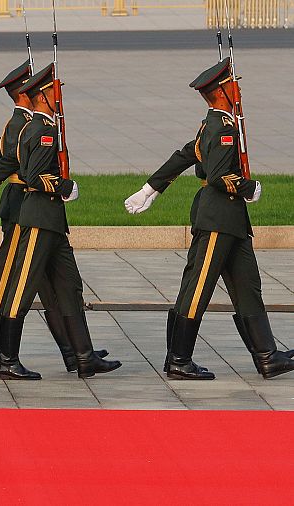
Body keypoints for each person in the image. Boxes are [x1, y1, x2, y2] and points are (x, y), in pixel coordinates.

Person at [123, 58, 294, 380]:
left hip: (231, 221)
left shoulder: (215, 123)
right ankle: (179, 359)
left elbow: (185, 155)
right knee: (197, 288)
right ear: (222, 91)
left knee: (247, 287)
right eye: (234, 84)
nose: (238, 87)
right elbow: (218, 176)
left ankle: (267, 356)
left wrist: (151, 188)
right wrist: (248, 187)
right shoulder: (221, 127)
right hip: (218, 217)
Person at [0, 60, 109, 374]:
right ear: (24, 92)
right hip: (25, 207)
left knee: (56, 285)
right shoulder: (25, 124)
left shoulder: (31, 123)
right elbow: (4, 161)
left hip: (38, 209)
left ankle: (76, 351)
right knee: (14, 283)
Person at [0, 64, 121, 379]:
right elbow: (32, 176)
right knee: (22, 289)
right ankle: (7, 360)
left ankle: (83, 355)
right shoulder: (42, 130)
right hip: (37, 218)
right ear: (42, 96)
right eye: (53, 90)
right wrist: (65, 187)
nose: (58, 94)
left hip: (52, 222)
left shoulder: (41, 127)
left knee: (69, 287)